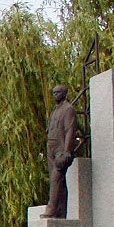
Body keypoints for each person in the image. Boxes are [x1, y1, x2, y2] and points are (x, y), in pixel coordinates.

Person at [41, 84, 77, 219]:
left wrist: (67, 151)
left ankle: (51, 209)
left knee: (56, 179)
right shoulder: (55, 110)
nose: (55, 94)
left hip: (61, 150)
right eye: (54, 92)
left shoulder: (69, 109)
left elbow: (70, 131)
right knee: (57, 181)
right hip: (51, 147)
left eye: (58, 92)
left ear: (65, 93)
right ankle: (61, 213)